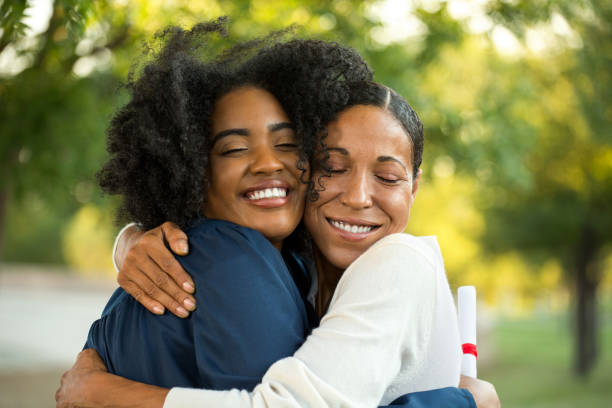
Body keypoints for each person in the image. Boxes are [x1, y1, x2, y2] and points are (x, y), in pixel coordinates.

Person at [56, 21, 499, 408]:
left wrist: (103, 394)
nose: (360, 196)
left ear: (415, 186)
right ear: (191, 165)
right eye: (335, 167)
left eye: (286, 144)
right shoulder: (232, 258)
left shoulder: (351, 264)